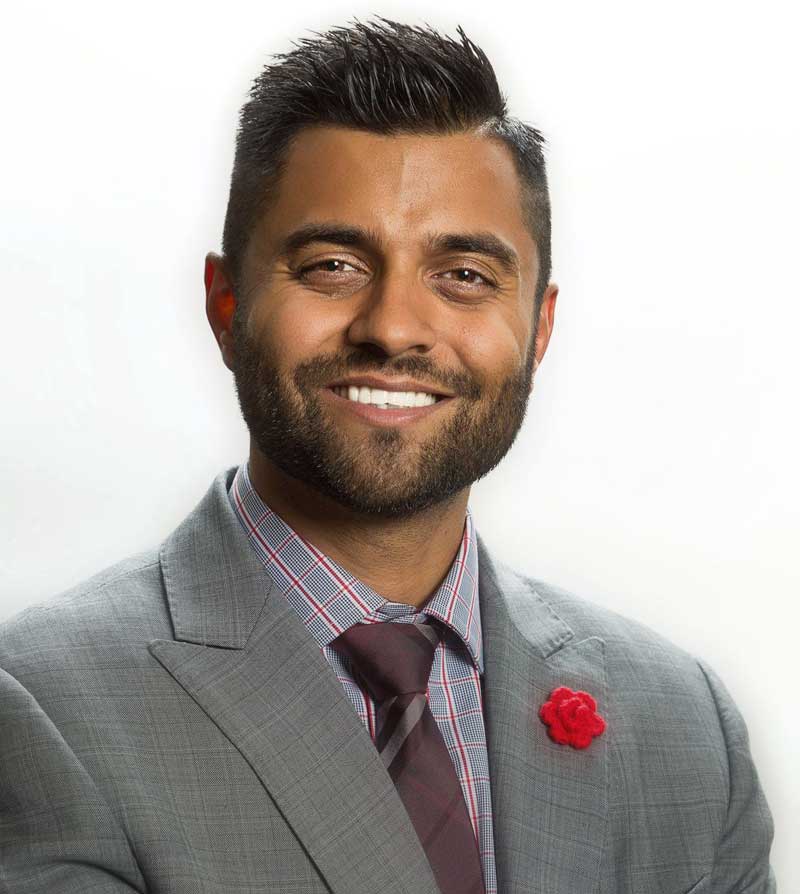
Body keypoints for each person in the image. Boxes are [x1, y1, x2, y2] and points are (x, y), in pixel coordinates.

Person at [0, 17, 775, 894]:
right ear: (226, 305)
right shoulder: (39, 708)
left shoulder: (681, 730)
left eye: (466, 277)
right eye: (333, 265)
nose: (395, 328)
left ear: (539, 327)